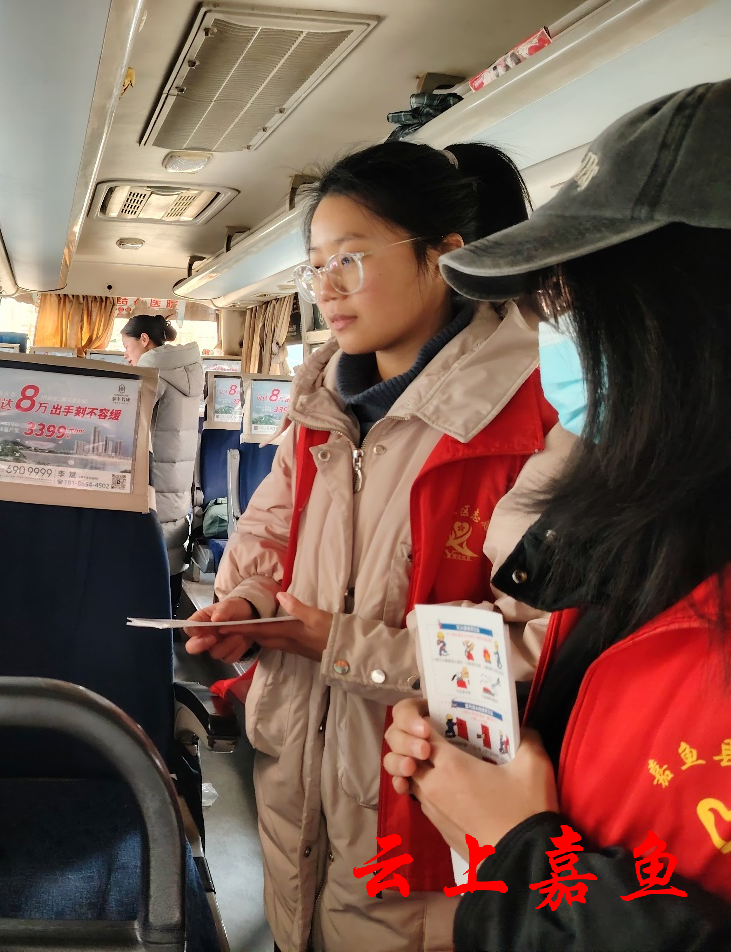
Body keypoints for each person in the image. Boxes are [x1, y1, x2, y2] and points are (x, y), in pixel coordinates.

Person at [183, 139, 574, 952]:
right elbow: (269, 530)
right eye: (316, 266)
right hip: (297, 781)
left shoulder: (538, 419)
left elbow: (538, 643)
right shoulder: (318, 405)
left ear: (444, 256)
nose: (326, 288)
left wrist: (338, 643)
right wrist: (248, 603)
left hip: (423, 808)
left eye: (351, 260)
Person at [383, 81, 731, 950]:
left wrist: (522, 849)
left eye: (574, 304)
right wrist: (491, 755)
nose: (556, 341)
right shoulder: (638, 543)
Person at [121, 313, 203, 613]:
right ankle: (168, 620)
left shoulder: (152, 373)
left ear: (144, 339)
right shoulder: (188, 370)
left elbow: (128, 424)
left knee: (149, 552)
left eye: (127, 347)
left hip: (155, 475)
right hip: (178, 476)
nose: (126, 355)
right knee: (171, 543)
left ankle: (147, 624)